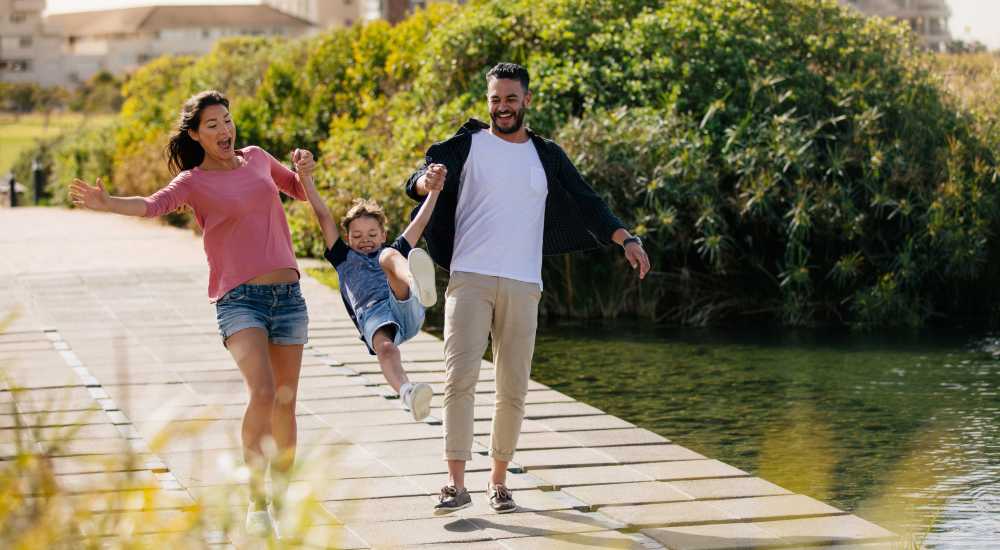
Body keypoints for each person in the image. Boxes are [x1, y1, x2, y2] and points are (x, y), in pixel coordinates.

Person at [405, 63, 651, 514]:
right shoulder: (468, 145)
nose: (502, 107)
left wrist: (626, 239)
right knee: (458, 379)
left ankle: (498, 481)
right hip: (470, 276)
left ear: (527, 101)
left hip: (523, 282)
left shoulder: (547, 155)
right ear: (489, 101)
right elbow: (418, 179)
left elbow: (587, 201)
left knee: (512, 386)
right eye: (495, 99)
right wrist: (426, 182)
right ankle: (455, 483)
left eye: (511, 99)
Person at [69, 90, 314, 538]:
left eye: (227, 120)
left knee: (284, 401)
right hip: (239, 299)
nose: (225, 130)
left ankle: (282, 497)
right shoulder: (193, 182)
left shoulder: (258, 158)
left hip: (289, 296)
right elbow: (151, 204)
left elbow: (296, 189)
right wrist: (109, 203)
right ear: (197, 135)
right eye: (213, 125)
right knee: (261, 392)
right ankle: (256, 501)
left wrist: (304, 168)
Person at [299, 161, 446, 420]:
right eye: (356, 235)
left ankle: (416, 282)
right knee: (386, 349)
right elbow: (322, 214)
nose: (364, 240)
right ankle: (408, 392)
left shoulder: (389, 247)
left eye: (371, 234)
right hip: (374, 317)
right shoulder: (342, 256)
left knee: (389, 255)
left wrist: (434, 190)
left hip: (404, 301)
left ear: (382, 233)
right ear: (347, 238)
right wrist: (305, 178)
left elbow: (421, 221)